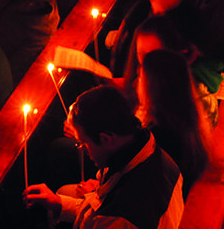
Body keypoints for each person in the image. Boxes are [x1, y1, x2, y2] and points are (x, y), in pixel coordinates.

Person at [24, 85, 185, 228]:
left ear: (107, 139)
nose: (82, 150)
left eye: (83, 143)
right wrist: (59, 203)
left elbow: (102, 218)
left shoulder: (121, 215)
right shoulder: (151, 152)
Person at [137, 50, 211, 192]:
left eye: (140, 77)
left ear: (152, 87)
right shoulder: (189, 122)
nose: (137, 83)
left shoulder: (156, 139)